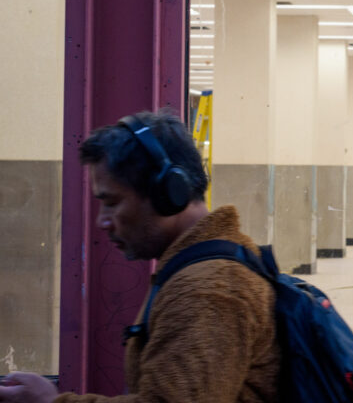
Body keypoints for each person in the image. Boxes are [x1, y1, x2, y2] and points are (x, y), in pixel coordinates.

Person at [0, 111, 280, 403]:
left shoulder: (208, 289)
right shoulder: (204, 268)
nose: (102, 221)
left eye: (112, 203)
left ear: (168, 192)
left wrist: (51, 402)